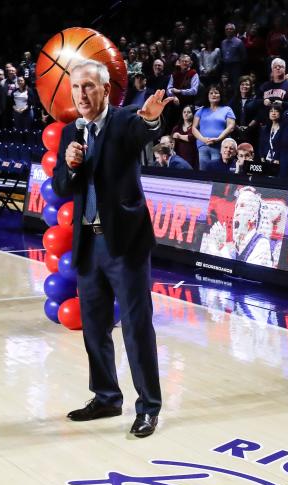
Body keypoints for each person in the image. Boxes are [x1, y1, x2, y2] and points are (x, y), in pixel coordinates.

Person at [52, 59, 172, 438]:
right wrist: (71, 167)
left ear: (105, 90)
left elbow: (144, 131)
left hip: (125, 244)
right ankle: (106, 396)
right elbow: (59, 187)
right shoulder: (72, 130)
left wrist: (152, 120)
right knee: (95, 327)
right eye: (76, 88)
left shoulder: (123, 122)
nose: (82, 94)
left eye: (88, 86)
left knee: (136, 327)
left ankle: (149, 407)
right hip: (88, 243)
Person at [191, 85, 236, 171]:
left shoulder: (227, 109)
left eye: (216, 93)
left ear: (221, 95)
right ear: (207, 96)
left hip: (219, 146)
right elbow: (194, 128)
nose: (213, 95)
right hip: (203, 146)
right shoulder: (201, 110)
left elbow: (231, 127)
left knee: (217, 173)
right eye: (211, 93)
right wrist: (203, 139)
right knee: (203, 173)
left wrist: (218, 139)